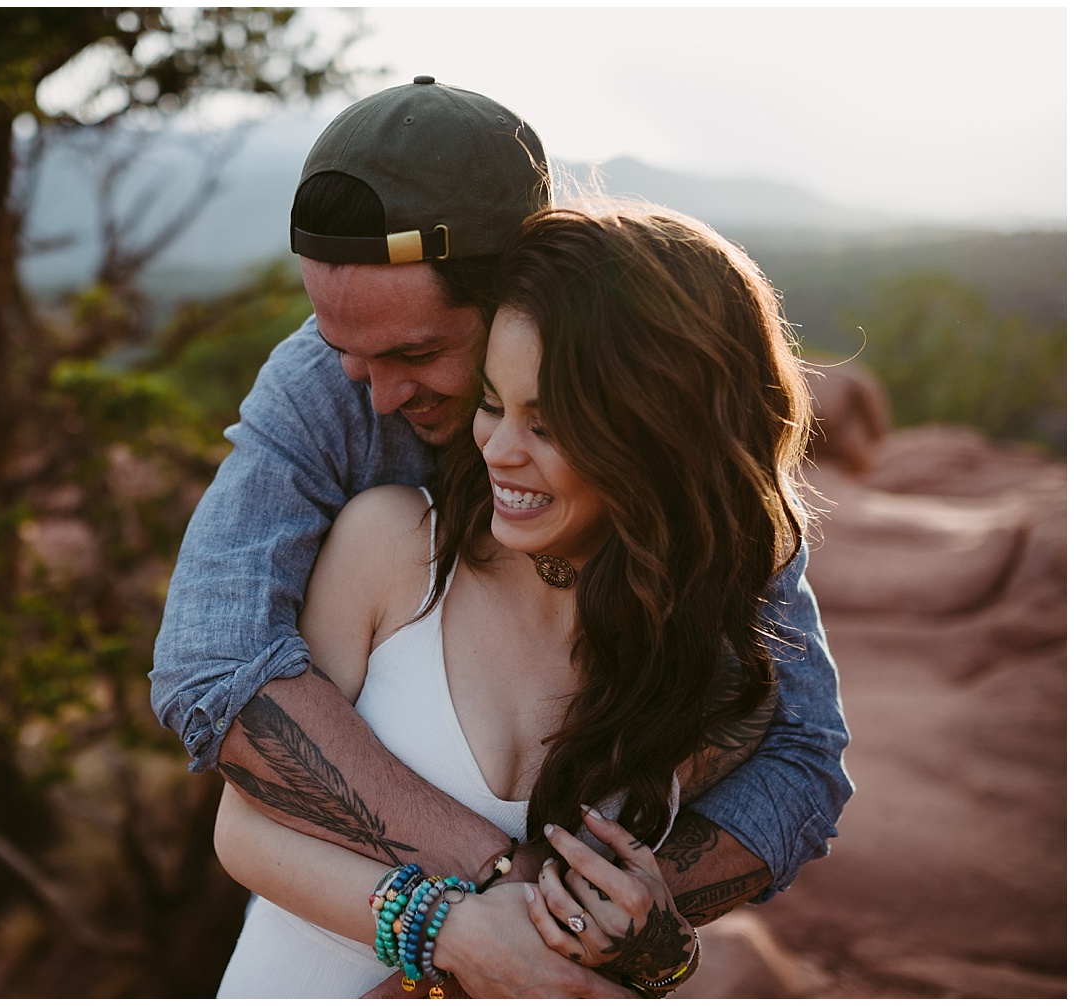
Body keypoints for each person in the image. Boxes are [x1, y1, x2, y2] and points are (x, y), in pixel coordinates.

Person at [149, 78, 852, 996]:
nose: (375, 394)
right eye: (345, 350)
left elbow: (801, 757)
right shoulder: (350, 449)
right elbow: (214, 673)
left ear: (527, 291)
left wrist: (638, 926)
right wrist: (494, 898)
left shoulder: (687, 572)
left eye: (415, 355)